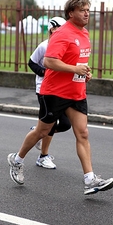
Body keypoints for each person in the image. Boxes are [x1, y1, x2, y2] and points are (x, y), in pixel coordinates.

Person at [8, 0, 113, 195]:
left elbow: (78, 62)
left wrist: (85, 72)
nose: (86, 13)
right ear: (71, 13)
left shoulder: (84, 34)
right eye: (82, 10)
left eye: (88, 10)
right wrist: (75, 69)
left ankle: (90, 180)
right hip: (54, 92)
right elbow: (49, 62)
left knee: (82, 133)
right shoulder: (62, 34)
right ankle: (17, 160)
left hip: (76, 92)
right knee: (42, 131)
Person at [28, 16, 71, 169]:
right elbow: (31, 62)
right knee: (51, 124)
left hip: (61, 90)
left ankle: (38, 131)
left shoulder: (65, 45)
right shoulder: (44, 46)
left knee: (66, 124)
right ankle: (43, 156)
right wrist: (43, 72)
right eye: (60, 27)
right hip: (44, 89)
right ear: (52, 28)